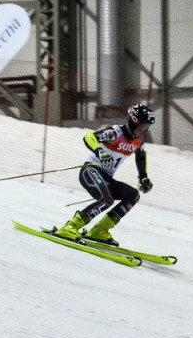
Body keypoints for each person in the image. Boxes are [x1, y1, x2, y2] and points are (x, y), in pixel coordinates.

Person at [52, 103, 155, 246]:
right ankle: (70, 226)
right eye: (143, 127)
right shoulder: (115, 132)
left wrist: (143, 177)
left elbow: (140, 157)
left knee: (133, 195)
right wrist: (100, 152)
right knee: (107, 199)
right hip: (90, 171)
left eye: (147, 127)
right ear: (133, 122)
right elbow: (89, 137)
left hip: (106, 177)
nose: (145, 131)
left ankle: (99, 230)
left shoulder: (138, 141)